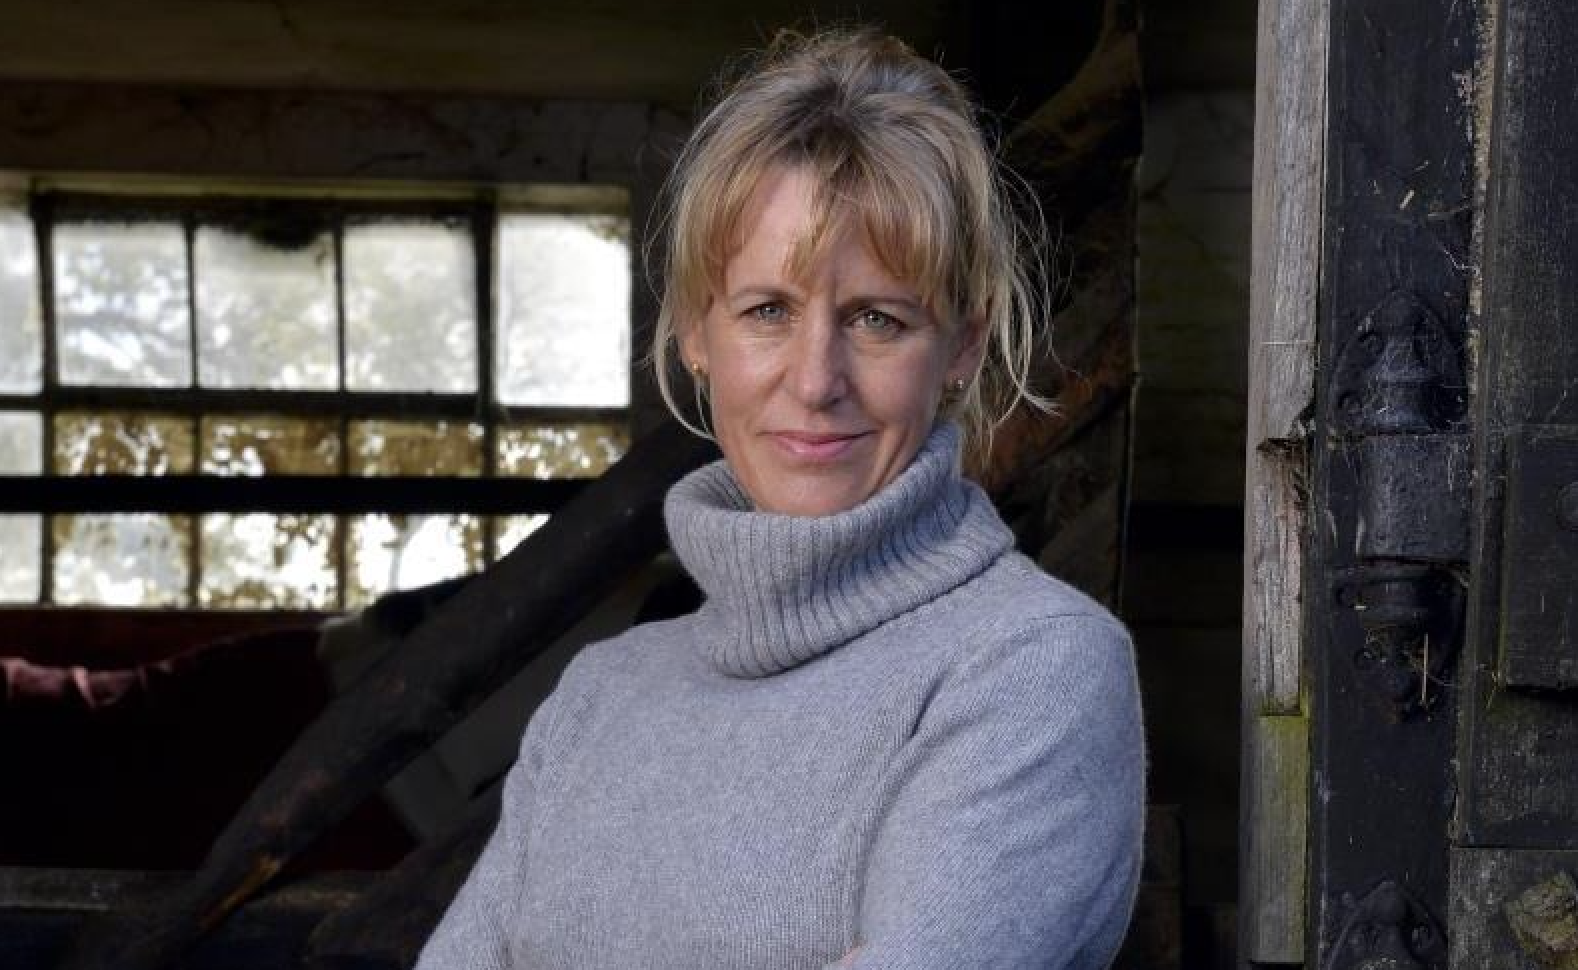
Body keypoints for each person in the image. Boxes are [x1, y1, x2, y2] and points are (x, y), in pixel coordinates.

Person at [416, 27, 1143, 969]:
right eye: (768, 311)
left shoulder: (1033, 668)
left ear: (963, 345)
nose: (814, 380)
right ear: (695, 333)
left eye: (877, 319)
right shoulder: (599, 697)